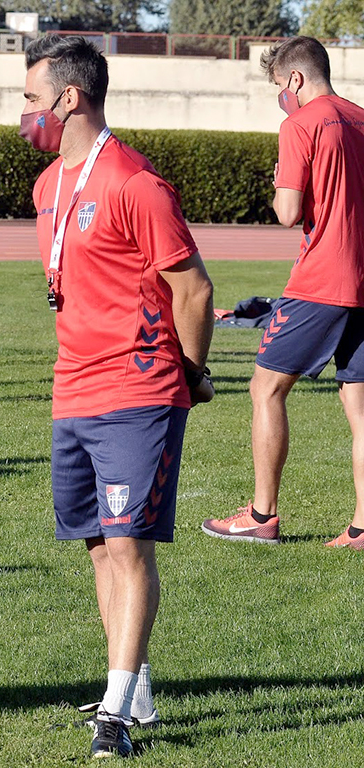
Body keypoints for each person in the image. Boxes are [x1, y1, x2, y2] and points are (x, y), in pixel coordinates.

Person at [22, 35, 214, 757]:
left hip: (137, 389)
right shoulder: (49, 186)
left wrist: (190, 373)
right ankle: (132, 688)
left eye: (33, 100)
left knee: (128, 543)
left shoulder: (136, 182)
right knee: (100, 547)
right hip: (72, 392)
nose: (26, 114)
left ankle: (117, 713)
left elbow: (193, 289)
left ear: (69, 99)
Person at [202, 37, 364, 550]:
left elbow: (289, 211)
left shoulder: (300, 123)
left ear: (294, 79)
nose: (281, 97)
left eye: (279, 86)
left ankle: (261, 515)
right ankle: (362, 527)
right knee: (360, 407)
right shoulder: (362, 118)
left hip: (321, 279)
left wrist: (281, 184)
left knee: (265, 389)